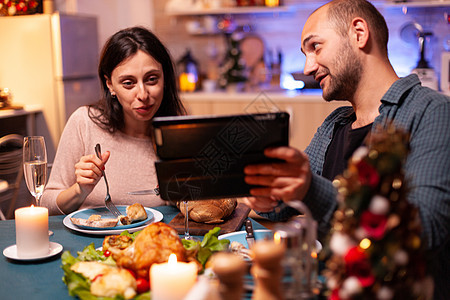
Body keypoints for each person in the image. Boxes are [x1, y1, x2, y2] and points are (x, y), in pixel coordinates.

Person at [242, 0, 450, 298]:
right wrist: (271, 198)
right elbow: (291, 203)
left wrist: (309, 190)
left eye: (315, 47)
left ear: (359, 33)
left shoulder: (432, 112)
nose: (307, 67)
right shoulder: (336, 124)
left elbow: (424, 232)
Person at [41, 26, 186, 215]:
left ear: (165, 79)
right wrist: (79, 190)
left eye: (151, 79)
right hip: (91, 243)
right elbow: (46, 204)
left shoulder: (180, 131)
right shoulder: (84, 122)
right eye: (128, 83)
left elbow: (195, 207)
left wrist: (182, 195)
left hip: (154, 240)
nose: (142, 94)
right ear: (110, 84)